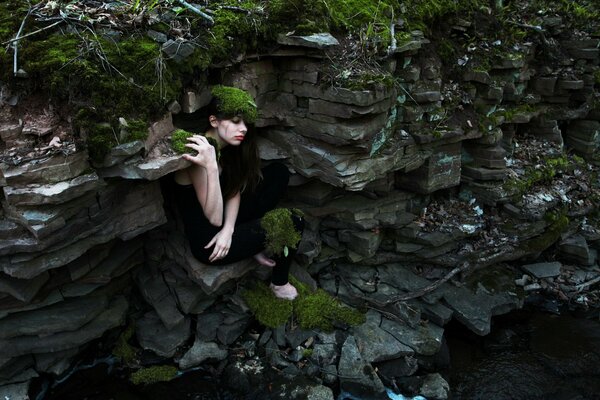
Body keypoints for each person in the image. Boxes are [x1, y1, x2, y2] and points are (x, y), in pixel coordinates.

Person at [172, 86, 302, 300]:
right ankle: (279, 284)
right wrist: (212, 167)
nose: (243, 129)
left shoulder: (227, 149)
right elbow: (214, 219)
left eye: (244, 123)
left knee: (278, 173)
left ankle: (251, 241)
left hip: (226, 225)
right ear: (214, 121)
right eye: (235, 121)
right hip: (211, 243)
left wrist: (230, 229)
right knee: (294, 222)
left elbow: (234, 191)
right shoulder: (200, 154)